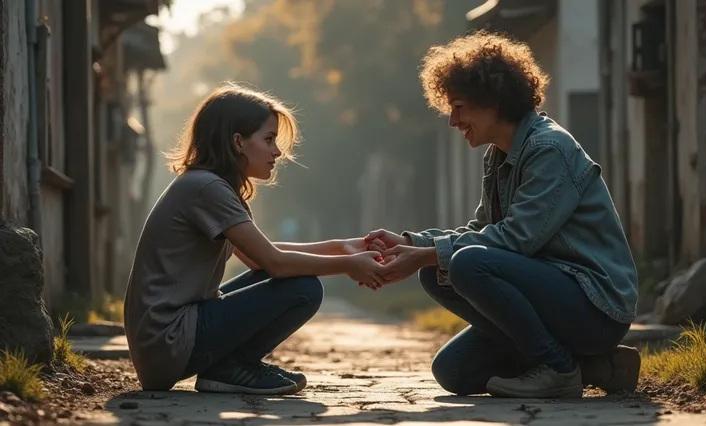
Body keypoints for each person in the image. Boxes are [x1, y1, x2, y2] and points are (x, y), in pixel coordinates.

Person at [364, 31, 640, 399]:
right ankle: (594, 367)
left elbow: (517, 239)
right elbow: (482, 229)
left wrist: (429, 254)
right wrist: (413, 244)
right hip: (550, 295)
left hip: (594, 306)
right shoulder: (499, 153)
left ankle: (557, 370)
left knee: (460, 264)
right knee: (453, 369)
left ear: (492, 101)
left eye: (459, 107)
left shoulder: (548, 148)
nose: (452, 121)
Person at [124, 83, 388, 395]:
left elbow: (261, 257)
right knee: (303, 287)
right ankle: (231, 367)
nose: (277, 151)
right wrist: (347, 265)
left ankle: (227, 368)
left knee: (285, 277)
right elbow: (275, 263)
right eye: (268, 139)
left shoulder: (209, 186)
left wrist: (342, 248)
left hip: (164, 344)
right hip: (169, 339)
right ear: (238, 142)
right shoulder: (208, 188)